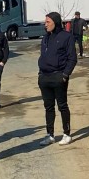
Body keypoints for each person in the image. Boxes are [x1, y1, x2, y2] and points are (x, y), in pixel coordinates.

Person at [37, 11, 77, 145]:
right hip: (44, 77)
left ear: (56, 22)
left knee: (62, 106)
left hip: (58, 76)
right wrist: (40, 74)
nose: (45, 24)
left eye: (48, 22)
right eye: (45, 22)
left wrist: (65, 75)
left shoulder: (66, 37)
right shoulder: (45, 37)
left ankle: (67, 134)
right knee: (48, 107)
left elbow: (72, 58)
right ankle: (50, 135)